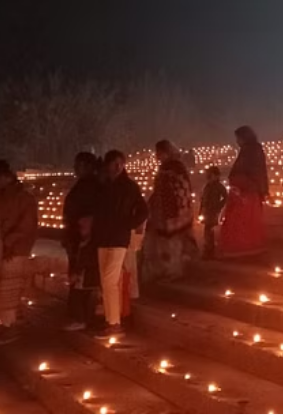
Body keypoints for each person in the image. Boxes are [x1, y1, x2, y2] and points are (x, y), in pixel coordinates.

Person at [93, 150, 148, 339]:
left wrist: (127, 225)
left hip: (118, 239)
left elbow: (143, 210)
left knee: (109, 280)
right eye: (112, 164)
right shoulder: (103, 186)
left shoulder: (129, 187)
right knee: (106, 282)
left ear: (123, 164)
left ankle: (115, 323)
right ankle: (111, 321)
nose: (116, 167)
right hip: (102, 238)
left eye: (119, 163)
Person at [0, 160, 38, 345]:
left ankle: (11, 326)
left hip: (16, 249)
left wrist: (11, 244)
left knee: (11, 287)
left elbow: (27, 226)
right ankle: (4, 323)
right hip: (1, 246)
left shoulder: (24, 197)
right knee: (0, 286)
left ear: (6, 176)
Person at [143, 140, 197, 283]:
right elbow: (159, 189)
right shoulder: (165, 167)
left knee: (174, 242)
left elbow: (182, 189)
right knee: (163, 242)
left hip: (174, 211)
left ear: (166, 152)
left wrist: (178, 209)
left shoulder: (176, 167)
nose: (157, 156)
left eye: (159, 153)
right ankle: (164, 269)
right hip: (162, 211)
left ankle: (175, 270)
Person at [62, 152, 101, 331]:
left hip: (84, 238)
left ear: (88, 166)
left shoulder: (91, 187)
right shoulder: (85, 185)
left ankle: (81, 317)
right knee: (77, 276)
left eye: (79, 165)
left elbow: (89, 214)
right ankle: (77, 315)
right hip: (76, 235)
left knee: (80, 276)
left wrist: (84, 231)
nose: (75, 168)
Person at [219, 126, 269, 257]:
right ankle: (243, 247)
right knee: (242, 220)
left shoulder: (251, 150)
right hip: (245, 190)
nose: (237, 142)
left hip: (247, 192)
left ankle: (243, 247)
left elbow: (254, 171)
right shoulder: (249, 150)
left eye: (238, 138)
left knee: (243, 221)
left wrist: (241, 184)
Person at [199, 166, 228, 259]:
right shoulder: (207, 186)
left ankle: (210, 251)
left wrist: (218, 206)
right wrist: (201, 211)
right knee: (207, 231)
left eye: (210, 175)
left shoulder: (219, 186)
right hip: (207, 211)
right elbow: (203, 199)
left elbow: (225, 197)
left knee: (210, 231)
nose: (208, 177)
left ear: (216, 176)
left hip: (213, 212)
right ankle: (208, 249)